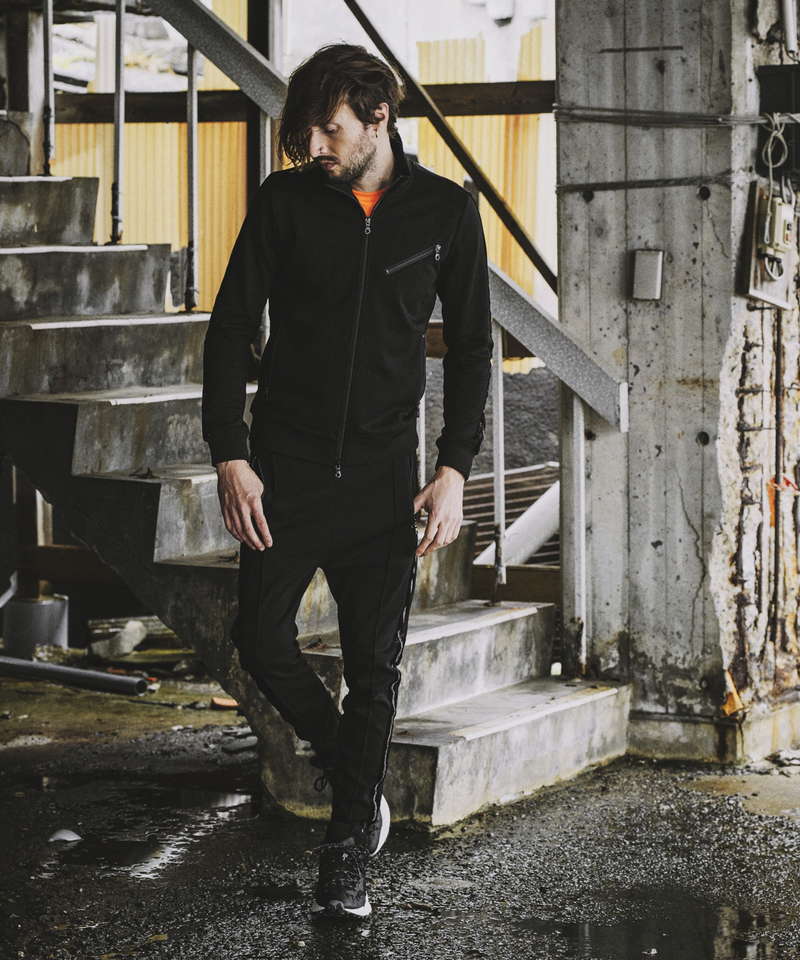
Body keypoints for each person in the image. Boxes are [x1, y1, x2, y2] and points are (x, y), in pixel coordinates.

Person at [201, 41, 492, 920]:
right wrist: (230, 452)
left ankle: (345, 858)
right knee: (261, 639)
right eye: (308, 132)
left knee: (375, 670)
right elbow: (229, 327)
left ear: (378, 117)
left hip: (381, 479)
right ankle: (355, 777)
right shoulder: (285, 201)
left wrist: (454, 467)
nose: (317, 147)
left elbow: (472, 347)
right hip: (284, 472)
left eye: (330, 129)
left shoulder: (445, 211)